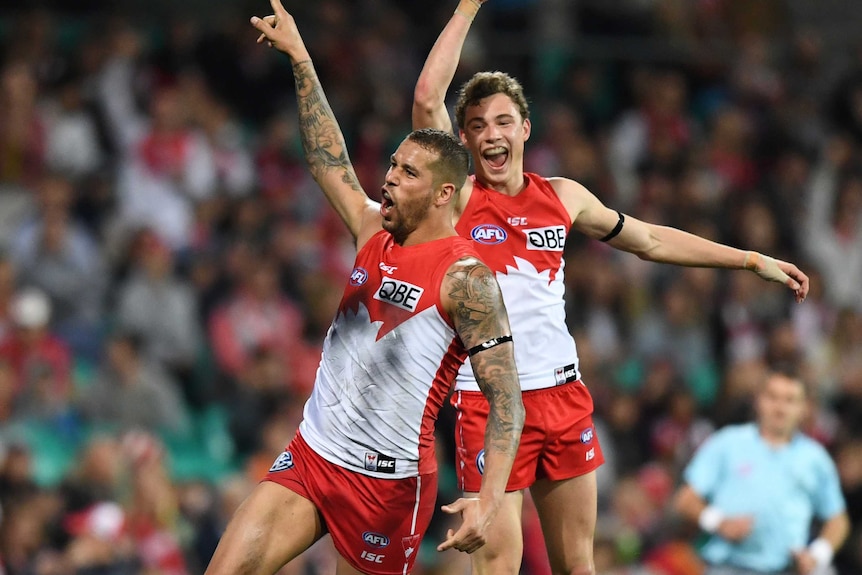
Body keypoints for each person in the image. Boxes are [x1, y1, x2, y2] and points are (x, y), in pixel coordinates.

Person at [410, 2, 811, 574]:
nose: (489, 135)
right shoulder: (461, 199)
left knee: (580, 565)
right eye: (475, 126)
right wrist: (470, 5)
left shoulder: (563, 196)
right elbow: (427, 99)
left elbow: (648, 240)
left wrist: (747, 259)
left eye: (502, 121)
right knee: (498, 567)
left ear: (525, 128)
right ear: (466, 143)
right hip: (490, 403)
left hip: (564, 398)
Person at [204, 3, 526, 575]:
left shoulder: (467, 279)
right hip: (313, 455)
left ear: (444, 193)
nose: (389, 179)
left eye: (406, 173)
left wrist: (489, 498)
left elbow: (506, 400)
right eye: (394, 166)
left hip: (387, 486)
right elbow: (329, 160)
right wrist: (302, 60)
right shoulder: (373, 226)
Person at [673, 370, 850, 575]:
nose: (780, 408)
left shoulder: (815, 458)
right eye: (772, 397)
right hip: (726, 567)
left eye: (790, 400)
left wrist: (817, 555)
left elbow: (838, 520)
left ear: (804, 408)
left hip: (785, 569)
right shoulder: (727, 443)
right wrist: (718, 522)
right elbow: (685, 499)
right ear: (758, 400)